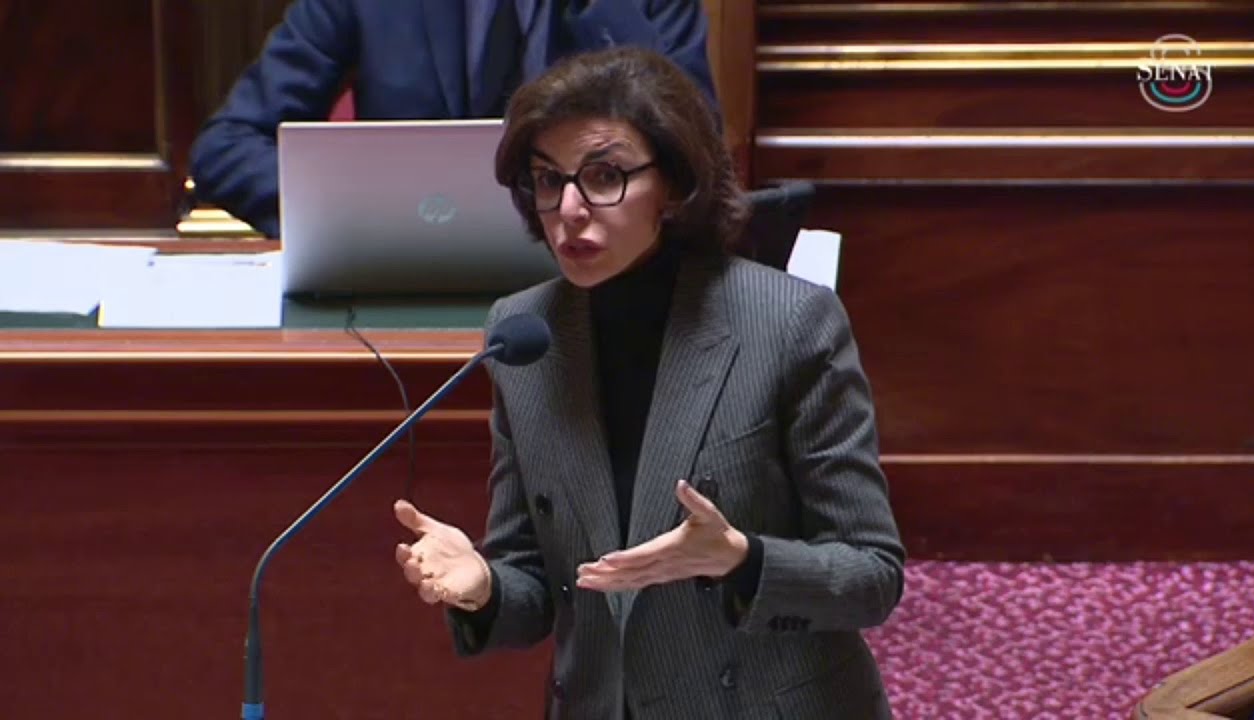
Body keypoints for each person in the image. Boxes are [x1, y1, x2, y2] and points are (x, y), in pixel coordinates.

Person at [392, 46, 905, 719]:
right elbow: (538, 588)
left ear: (675, 185)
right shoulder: (527, 334)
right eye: (547, 180)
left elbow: (872, 574)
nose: (569, 208)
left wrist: (741, 558)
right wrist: (484, 585)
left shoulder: (788, 322)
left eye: (604, 176)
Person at [188, 0, 717, 239]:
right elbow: (227, 145)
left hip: (599, 286)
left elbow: (697, 149)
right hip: (404, 286)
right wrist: (361, 212)